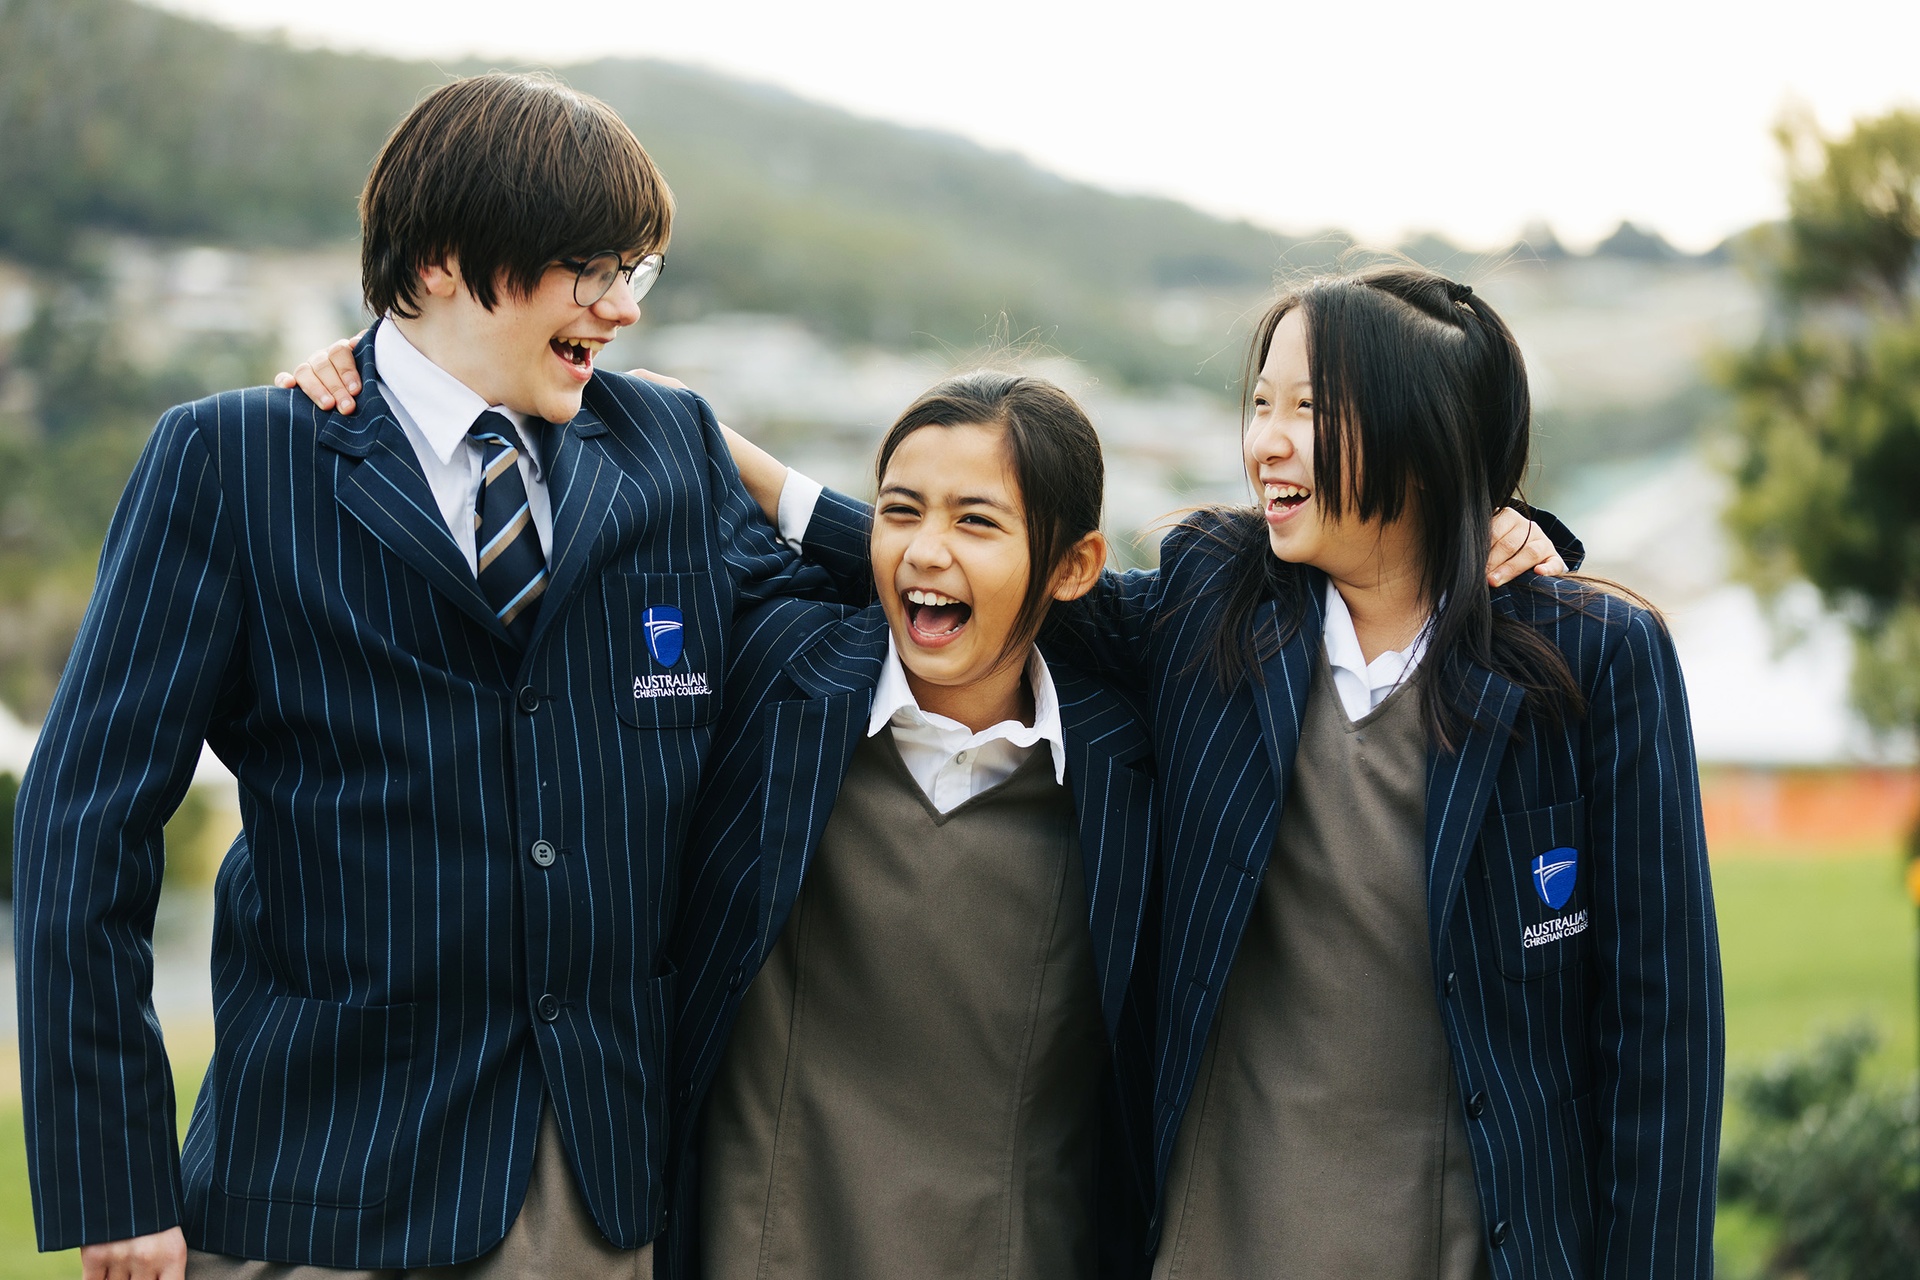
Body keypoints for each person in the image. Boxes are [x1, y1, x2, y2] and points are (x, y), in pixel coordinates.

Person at [737, 267, 1722, 1276]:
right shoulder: (1214, 597)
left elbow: (1662, 1039)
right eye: (1260, 404)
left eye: (1309, 407)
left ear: (1422, 432)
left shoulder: (1594, 653)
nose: (1267, 441)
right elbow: (1017, 579)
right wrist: (765, 482)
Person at [14, 71, 830, 1280]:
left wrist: (756, 470)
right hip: (315, 1183)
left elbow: (925, 599)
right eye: (593, 269)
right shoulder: (234, 459)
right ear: (445, 259)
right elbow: (85, 825)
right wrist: (115, 1178)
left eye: (636, 273)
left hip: (589, 1193)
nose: (623, 309)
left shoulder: (669, 453)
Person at [660, 372, 1157, 1280]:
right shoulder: (778, 668)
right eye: (899, 511)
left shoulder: (1132, 762)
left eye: (975, 520)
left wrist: (1503, 528)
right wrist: (397, 367)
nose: (926, 552)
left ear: (1076, 566)